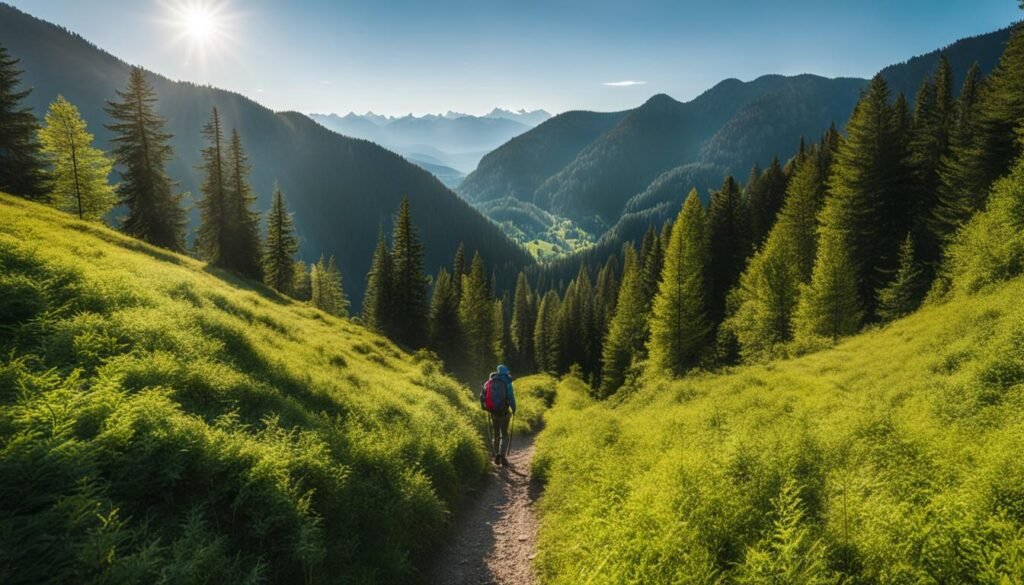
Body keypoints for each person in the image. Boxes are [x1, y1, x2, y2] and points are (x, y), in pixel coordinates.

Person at [483, 364, 516, 466]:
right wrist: (514, 409)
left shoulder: (489, 381)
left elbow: (482, 396)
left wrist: (486, 408)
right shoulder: (507, 382)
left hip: (493, 413)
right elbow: (511, 398)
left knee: (496, 433)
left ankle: (496, 454)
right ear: (505, 371)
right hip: (504, 412)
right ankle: (502, 456)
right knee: (504, 434)